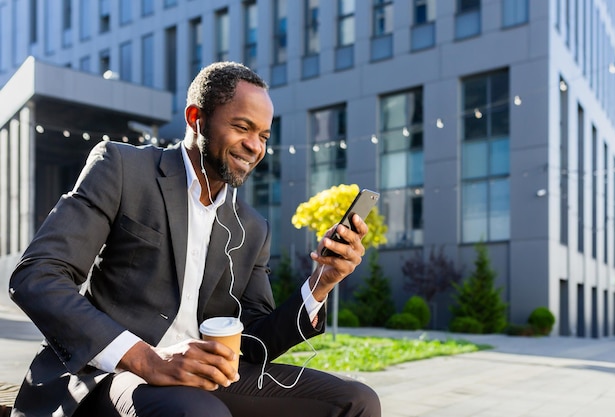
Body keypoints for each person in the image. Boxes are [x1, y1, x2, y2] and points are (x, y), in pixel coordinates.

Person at [8, 61, 381, 417]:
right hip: (111, 375)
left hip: (203, 378)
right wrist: (148, 360)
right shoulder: (122, 168)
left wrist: (320, 285)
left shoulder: (251, 227)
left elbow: (255, 344)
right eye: (242, 127)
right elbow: (36, 277)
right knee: (198, 412)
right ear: (195, 118)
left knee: (357, 401)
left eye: (264, 135)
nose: (255, 146)